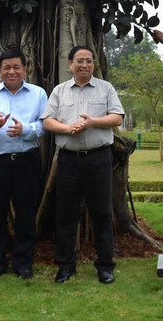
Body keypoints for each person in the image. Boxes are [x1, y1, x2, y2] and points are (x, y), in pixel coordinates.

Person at [41, 46, 124, 285]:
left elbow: (117, 117)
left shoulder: (105, 88)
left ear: (93, 64)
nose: (85, 65)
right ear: (70, 64)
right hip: (68, 160)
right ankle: (66, 266)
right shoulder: (59, 91)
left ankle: (105, 266)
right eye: (80, 61)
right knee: (66, 214)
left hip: (98, 158)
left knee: (102, 213)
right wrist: (68, 129)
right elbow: (47, 121)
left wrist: (92, 123)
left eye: (89, 61)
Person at [0, 48, 48, 281]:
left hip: (27, 162)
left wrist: (26, 130)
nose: (11, 71)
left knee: (26, 213)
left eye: (16, 67)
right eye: (7, 67)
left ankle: (23, 263)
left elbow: (46, 125)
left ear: (25, 69)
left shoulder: (38, 94)